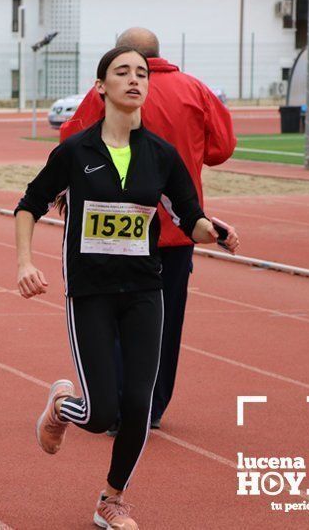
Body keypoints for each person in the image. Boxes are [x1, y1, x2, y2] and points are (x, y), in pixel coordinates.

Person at [16, 46, 239, 529]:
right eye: (122, 72)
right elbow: (29, 204)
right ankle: (61, 406)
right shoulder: (76, 151)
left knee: (138, 404)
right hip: (91, 291)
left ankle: (111, 499)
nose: (134, 79)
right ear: (101, 87)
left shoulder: (161, 155)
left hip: (144, 289)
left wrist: (213, 230)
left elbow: (188, 214)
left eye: (141, 73)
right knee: (98, 414)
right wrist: (24, 262)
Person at [61, 27, 236, 430]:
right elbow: (222, 148)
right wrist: (189, 152)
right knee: (164, 322)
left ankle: (114, 406)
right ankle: (150, 410)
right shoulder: (196, 90)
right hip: (178, 232)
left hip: (113, 229)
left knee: (111, 318)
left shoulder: (108, 90)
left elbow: (71, 138)